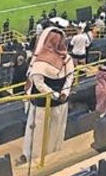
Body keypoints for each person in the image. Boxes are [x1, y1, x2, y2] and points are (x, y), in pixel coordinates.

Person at [20, 18, 75, 165]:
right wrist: (61, 94)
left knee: (44, 130)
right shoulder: (66, 59)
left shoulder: (42, 60)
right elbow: (68, 78)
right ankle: (34, 157)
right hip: (51, 102)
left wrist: (60, 94)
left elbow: (39, 83)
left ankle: (45, 157)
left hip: (49, 102)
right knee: (45, 130)